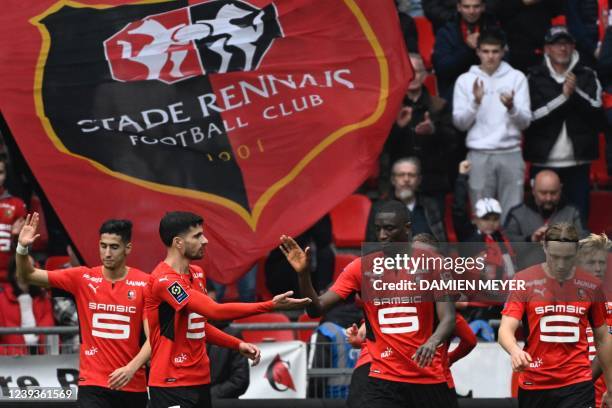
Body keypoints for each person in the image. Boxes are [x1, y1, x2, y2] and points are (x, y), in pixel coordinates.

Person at [280, 200, 456, 408]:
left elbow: (448, 317)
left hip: (427, 374)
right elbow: (315, 309)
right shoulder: (361, 267)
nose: (382, 235)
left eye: (389, 229)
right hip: (382, 377)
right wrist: (304, 275)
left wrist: (432, 341)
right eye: (378, 229)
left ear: (407, 228)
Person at [145, 211, 310, 408]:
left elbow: (198, 327)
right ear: (178, 243)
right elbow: (215, 312)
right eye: (197, 236)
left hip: (200, 382)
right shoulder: (165, 281)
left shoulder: (197, 274)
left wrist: (236, 344)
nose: (205, 240)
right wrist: (270, 305)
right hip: (170, 385)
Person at [16, 214, 150, 408]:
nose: (107, 253)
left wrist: (131, 368)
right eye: (103, 246)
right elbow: (26, 275)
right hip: (93, 384)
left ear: (128, 248)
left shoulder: (145, 283)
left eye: (114, 247)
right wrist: (22, 248)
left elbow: (154, 336)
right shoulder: (82, 278)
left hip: (132, 385)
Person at [498, 223, 612, 408]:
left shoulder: (591, 286)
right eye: (555, 257)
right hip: (535, 382)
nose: (560, 264)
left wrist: (611, 387)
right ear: (544, 247)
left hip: (577, 383)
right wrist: (515, 350)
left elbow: (603, 337)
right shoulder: (523, 280)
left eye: (567, 258)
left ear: (576, 252)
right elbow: (505, 329)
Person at [525, 26, 603, 225]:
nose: (562, 48)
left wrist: (575, 93)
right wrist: (563, 98)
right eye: (557, 44)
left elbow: (597, 112)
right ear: (547, 49)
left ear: (573, 47)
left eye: (566, 43)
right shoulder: (533, 77)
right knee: (542, 225)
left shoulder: (587, 74)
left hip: (578, 164)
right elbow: (530, 119)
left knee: (579, 223)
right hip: (544, 163)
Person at [453, 29, 531, 224]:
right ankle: (484, 254)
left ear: (503, 52)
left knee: (513, 214)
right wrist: (475, 103)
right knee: (481, 215)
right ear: (478, 51)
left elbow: (525, 122)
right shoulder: (465, 80)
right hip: (479, 154)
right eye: (486, 51)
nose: (490, 56)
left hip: (510, 152)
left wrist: (511, 107)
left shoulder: (517, 78)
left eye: (495, 51)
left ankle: (511, 255)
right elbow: (460, 124)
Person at [381, 54, 460, 214]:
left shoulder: (438, 105)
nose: (412, 76)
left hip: (432, 183)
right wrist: (398, 127)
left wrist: (434, 131)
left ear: (425, 76)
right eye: (407, 71)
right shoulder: (389, 106)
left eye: (417, 71)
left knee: (431, 232)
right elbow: (381, 147)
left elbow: (453, 142)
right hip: (400, 182)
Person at [452, 160, 516, 279]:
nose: (490, 223)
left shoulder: (501, 237)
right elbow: (458, 209)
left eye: (495, 218)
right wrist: (462, 177)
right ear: (475, 219)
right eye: (485, 219)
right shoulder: (467, 235)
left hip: (501, 289)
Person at [367, 158, 446, 243]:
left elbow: (442, 241)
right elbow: (371, 246)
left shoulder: (431, 205)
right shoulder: (380, 208)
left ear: (419, 180)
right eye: (401, 175)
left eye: (411, 175)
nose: (406, 179)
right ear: (393, 180)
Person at [432, 0, 498, 101]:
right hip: (455, 91)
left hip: (490, 88)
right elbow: (442, 69)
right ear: (459, 7)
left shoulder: (494, 28)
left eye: (476, 6)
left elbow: (503, 61)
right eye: (466, 7)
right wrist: (466, 48)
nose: (471, 11)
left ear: (483, 7)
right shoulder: (446, 32)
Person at [577, 233, 612, 408]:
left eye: (602, 262)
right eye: (591, 263)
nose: (598, 268)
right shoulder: (563, 303)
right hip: (576, 397)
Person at [0, 255, 54, 355]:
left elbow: (50, 332)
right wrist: (8, 354)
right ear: (15, 272)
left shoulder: (43, 299)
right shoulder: (1, 301)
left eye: (33, 266)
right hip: (12, 361)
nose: (31, 269)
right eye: (26, 265)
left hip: (42, 358)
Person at [206, 322, 250, 399]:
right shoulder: (187, 334)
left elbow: (240, 381)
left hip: (219, 402)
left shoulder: (233, 335)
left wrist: (210, 395)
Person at [0, 156, 26, 282]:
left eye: (0, 172)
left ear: (5, 175)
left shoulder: (17, 205)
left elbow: (26, 250)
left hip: (8, 280)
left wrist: (17, 238)